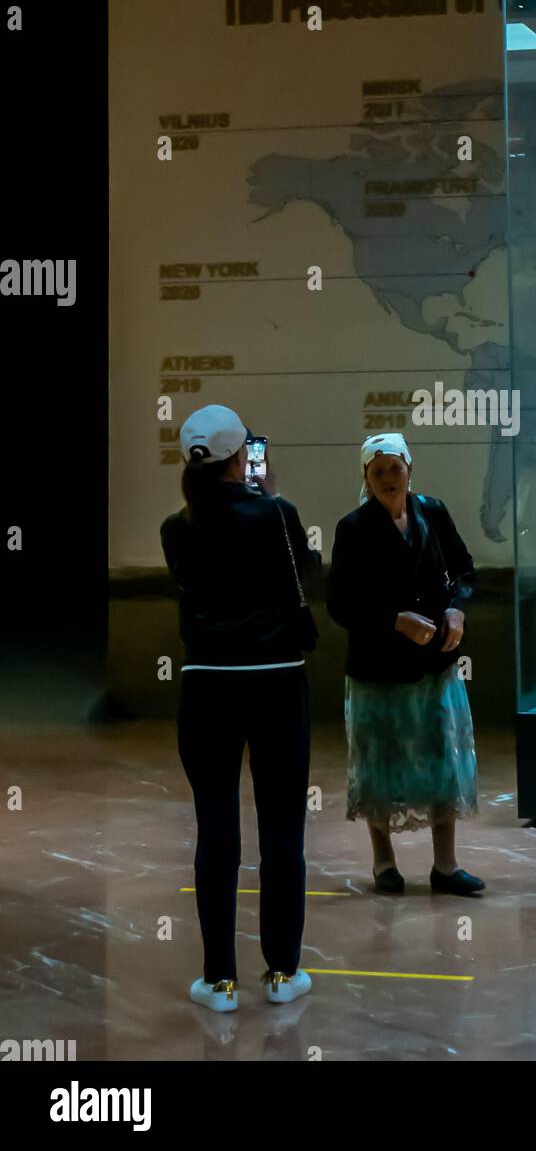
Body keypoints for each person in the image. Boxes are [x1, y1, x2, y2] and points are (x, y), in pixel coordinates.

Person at [160, 404, 319, 1013]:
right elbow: (309, 580)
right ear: (241, 457)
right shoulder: (277, 514)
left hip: (207, 686)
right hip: (277, 683)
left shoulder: (177, 527)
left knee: (215, 828)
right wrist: (269, 495)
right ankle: (282, 973)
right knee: (282, 829)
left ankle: (219, 980)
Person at [327, 433, 484, 896]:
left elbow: (464, 569)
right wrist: (394, 621)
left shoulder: (432, 513)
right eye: (379, 472)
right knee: (378, 761)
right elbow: (340, 604)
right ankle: (383, 862)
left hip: (433, 663)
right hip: (379, 669)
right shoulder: (353, 528)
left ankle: (446, 866)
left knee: (441, 759)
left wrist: (456, 607)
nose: (389, 479)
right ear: (366, 478)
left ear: (410, 470)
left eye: (395, 469)